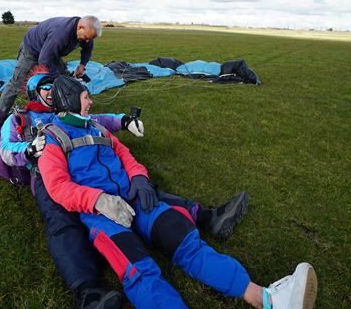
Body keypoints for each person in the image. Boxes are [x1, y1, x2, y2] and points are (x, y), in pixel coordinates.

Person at [37, 75, 318, 309]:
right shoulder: (53, 138)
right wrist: (98, 200)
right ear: (71, 100)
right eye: (86, 97)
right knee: (140, 271)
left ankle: (267, 299)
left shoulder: (97, 126)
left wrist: (140, 179)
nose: (90, 102)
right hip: (102, 216)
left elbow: (124, 153)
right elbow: (57, 187)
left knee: (187, 242)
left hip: (137, 199)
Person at [0, 70, 251, 309]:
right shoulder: (23, 119)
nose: (49, 91)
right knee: (62, 224)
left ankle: (207, 219)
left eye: (52, 86)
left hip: (112, 185)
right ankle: (88, 290)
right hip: (56, 180)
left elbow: (108, 130)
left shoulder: (87, 121)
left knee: (153, 200)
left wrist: (126, 124)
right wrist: (29, 151)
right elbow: (8, 152)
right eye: (44, 87)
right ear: (35, 92)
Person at [0, 15, 102, 113]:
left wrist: (82, 65)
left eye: (90, 38)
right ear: (80, 28)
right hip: (32, 50)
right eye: (86, 37)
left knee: (65, 79)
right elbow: (44, 60)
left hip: (50, 52)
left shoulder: (86, 32)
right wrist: (58, 79)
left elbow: (88, 49)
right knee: (16, 84)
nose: (87, 41)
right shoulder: (60, 33)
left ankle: (62, 108)